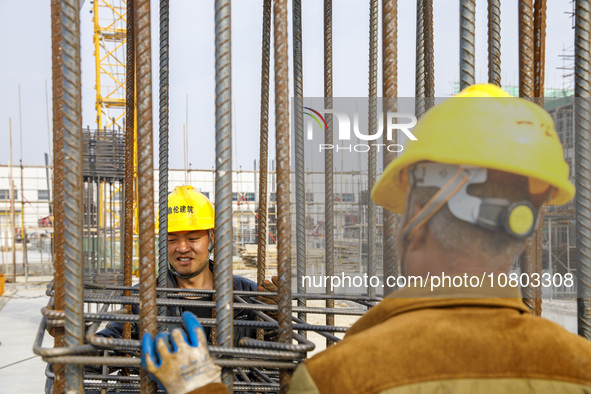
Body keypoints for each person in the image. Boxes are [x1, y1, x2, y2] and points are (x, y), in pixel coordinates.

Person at [140, 84, 591, 393]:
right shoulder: (580, 368)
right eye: (175, 238)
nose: (184, 247)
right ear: (526, 224)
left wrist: (200, 384)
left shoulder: (340, 376)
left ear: (416, 214)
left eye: (193, 236)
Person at [98, 185, 274, 346]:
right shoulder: (144, 298)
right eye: (172, 240)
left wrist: (276, 318)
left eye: (193, 239)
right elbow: (112, 342)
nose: (182, 248)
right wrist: (86, 346)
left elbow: (274, 354)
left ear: (212, 238)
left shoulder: (245, 293)